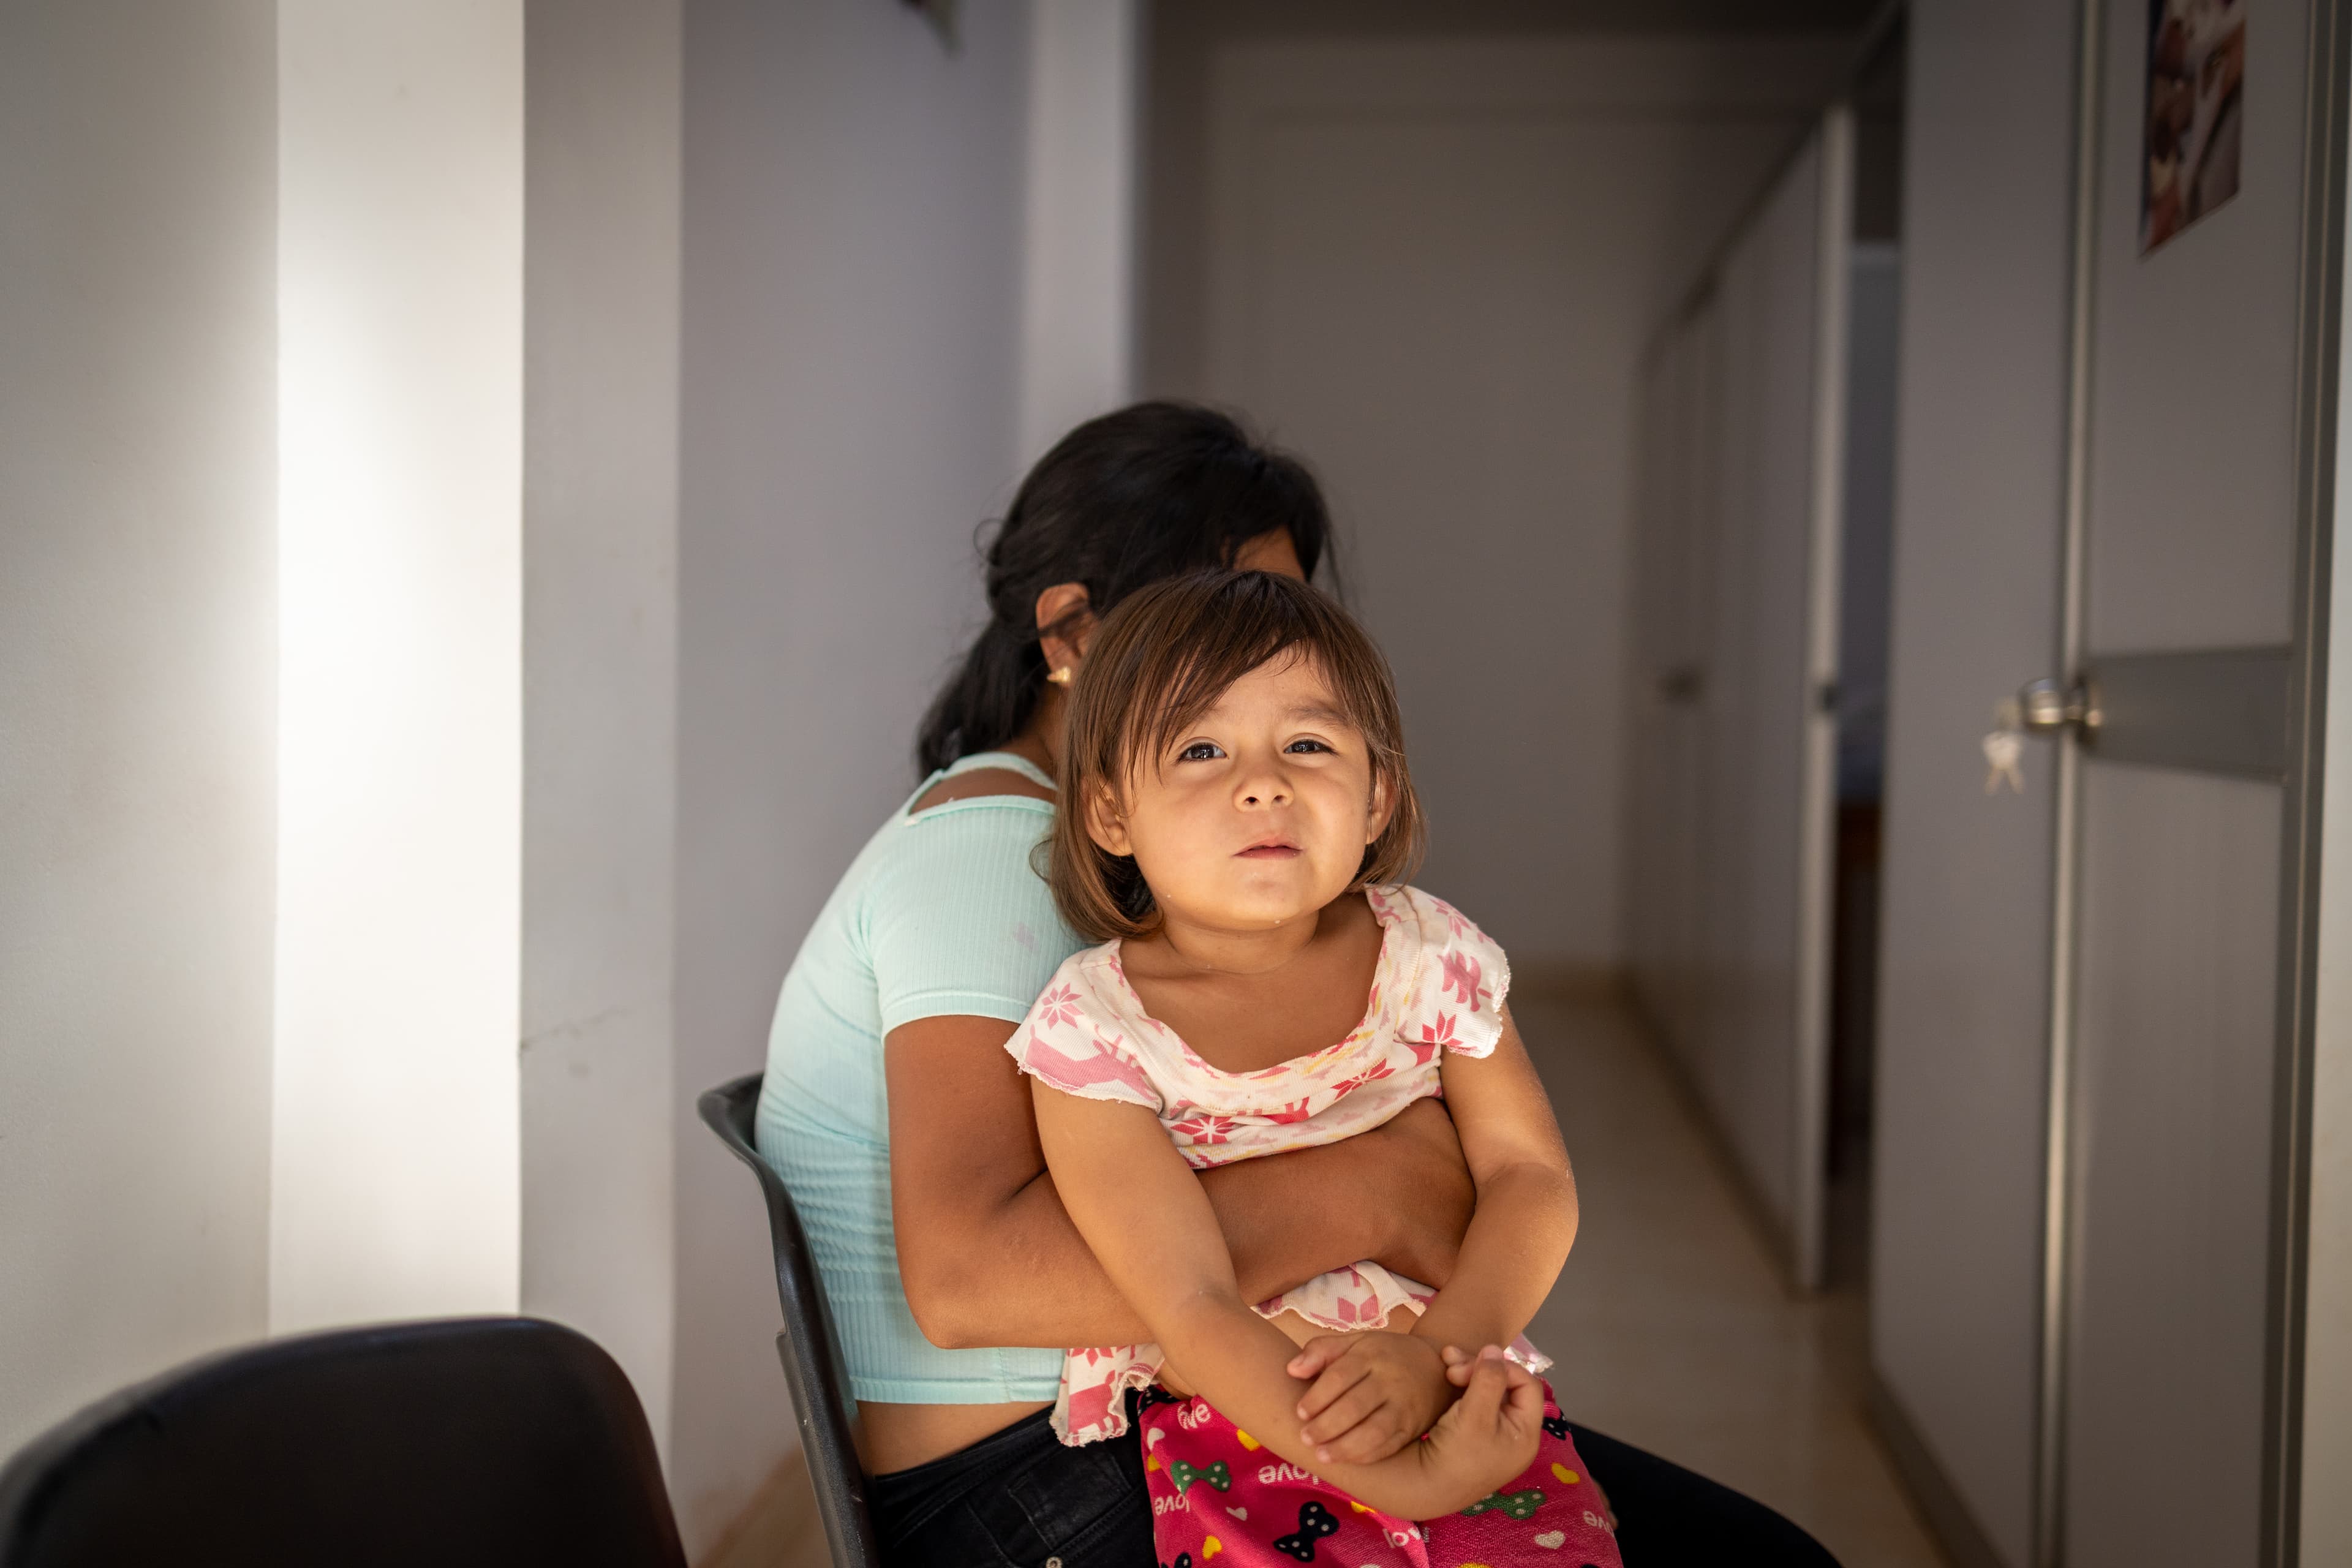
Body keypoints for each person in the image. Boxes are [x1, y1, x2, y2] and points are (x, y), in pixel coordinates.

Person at [756, 401, 1839, 1566]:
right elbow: (970, 1282)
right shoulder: (995, 857)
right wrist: (1370, 1186)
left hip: (1237, 1394)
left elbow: (1502, 1186)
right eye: (1196, 636)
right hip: (1038, 1472)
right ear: (1070, 635)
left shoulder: (1360, 932)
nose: (1253, 681)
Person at [1008, 569, 1619, 1566]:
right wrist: (1400, 1476)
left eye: (1308, 744)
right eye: (1201, 749)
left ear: (1378, 795)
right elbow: (1191, 1302)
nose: (1263, 783)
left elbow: (1532, 1178)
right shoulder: (1094, 1030)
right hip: (1243, 1436)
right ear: (1111, 814)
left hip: (1466, 1383)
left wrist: (1434, 1363)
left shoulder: (1429, 956)